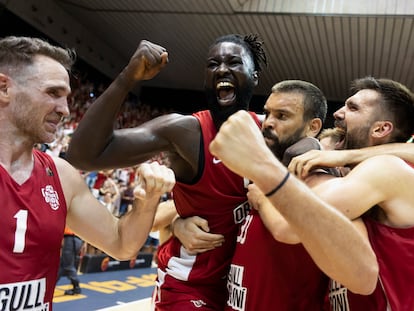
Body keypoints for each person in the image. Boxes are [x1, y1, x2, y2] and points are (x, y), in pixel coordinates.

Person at [66, 34, 267, 310]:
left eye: (233, 62)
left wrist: (176, 224)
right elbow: (84, 155)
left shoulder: (272, 134)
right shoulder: (185, 132)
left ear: (254, 77)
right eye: (212, 64)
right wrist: (127, 78)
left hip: (244, 287)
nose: (221, 69)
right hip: (190, 285)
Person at [0, 36, 175, 310]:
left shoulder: (60, 174)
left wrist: (147, 200)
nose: (65, 110)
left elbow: (120, 243)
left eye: (67, 97)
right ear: (3, 88)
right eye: (53, 93)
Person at [210, 77, 414, 310]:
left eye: (353, 108)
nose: (337, 113)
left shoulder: (385, 168)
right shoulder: (361, 171)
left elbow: (289, 227)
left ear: (381, 128)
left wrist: (262, 189)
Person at [57, 226, 84, 295]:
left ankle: (76, 287)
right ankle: (50, 284)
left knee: (68, 265)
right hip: (76, 237)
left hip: (70, 238)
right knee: (63, 264)